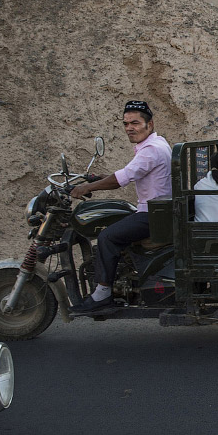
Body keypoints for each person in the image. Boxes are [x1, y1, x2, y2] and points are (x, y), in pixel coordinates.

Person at [69, 100, 172, 313]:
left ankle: (102, 294)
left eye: (135, 123)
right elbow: (132, 172)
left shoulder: (151, 149)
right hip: (159, 211)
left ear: (149, 124)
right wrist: (99, 179)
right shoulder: (157, 144)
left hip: (154, 215)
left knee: (107, 237)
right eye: (126, 124)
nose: (129, 128)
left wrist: (88, 187)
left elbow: (120, 179)